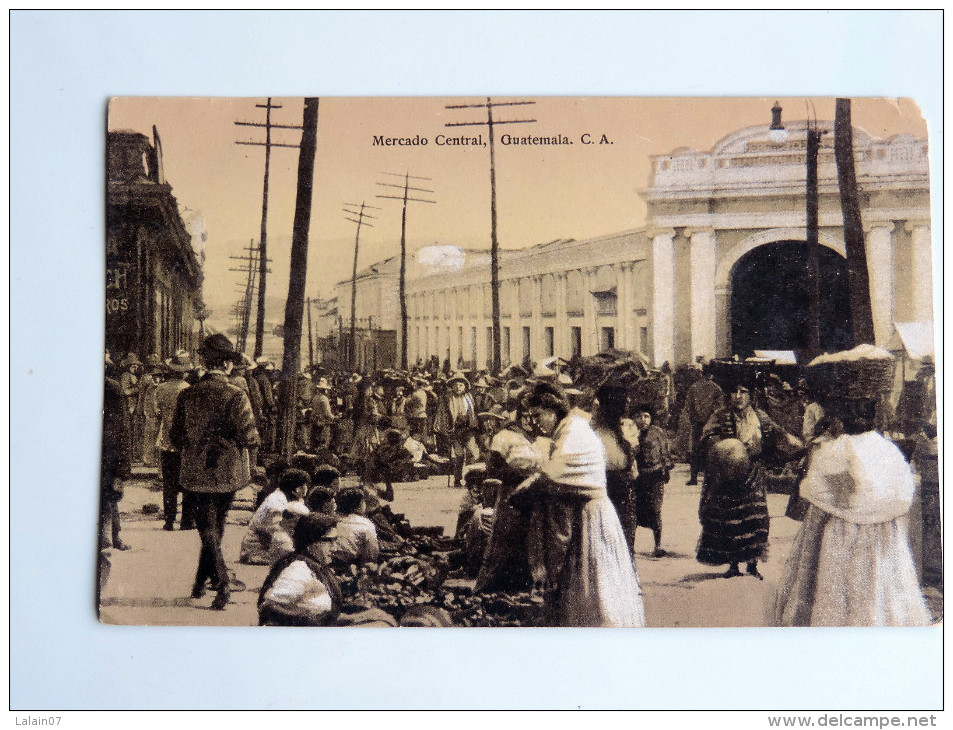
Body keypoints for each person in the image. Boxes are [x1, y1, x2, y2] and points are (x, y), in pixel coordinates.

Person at [773, 397, 931, 626]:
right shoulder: (889, 450)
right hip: (883, 540)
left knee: (838, 596)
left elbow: (816, 492)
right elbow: (903, 496)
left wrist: (848, 503)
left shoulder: (834, 450)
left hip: (841, 536)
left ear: (842, 419)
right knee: (881, 594)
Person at [515, 381, 645, 627]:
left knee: (595, 583)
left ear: (554, 411)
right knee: (582, 582)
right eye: (531, 417)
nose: (535, 422)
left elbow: (555, 474)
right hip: (584, 511)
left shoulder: (574, 430)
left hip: (592, 514)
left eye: (539, 415)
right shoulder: (568, 428)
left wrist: (526, 489)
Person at [171, 333, 261, 610]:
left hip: (195, 471)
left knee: (207, 527)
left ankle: (200, 583)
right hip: (227, 470)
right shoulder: (236, 395)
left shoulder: (187, 394)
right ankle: (222, 583)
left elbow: (175, 437)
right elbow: (250, 437)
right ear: (226, 364)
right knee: (215, 526)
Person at [697, 382, 802, 579]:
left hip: (753, 471)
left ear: (750, 395)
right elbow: (707, 436)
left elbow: (778, 433)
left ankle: (752, 564)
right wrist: (723, 447)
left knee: (756, 515)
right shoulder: (720, 415)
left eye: (743, 391)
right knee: (730, 517)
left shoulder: (760, 416)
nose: (738, 395)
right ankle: (734, 564)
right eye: (734, 391)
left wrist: (792, 442)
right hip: (729, 473)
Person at [475, 399, 543, 592]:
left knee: (528, 540)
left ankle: (521, 587)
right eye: (526, 416)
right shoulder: (505, 436)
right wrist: (518, 475)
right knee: (505, 538)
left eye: (535, 417)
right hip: (510, 496)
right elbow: (493, 469)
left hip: (532, 496)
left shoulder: (540, 438)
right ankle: (491, 587)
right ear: (519, 416)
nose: (530, 421)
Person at [258, 514, 343, 627]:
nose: (335, 547)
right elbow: (270, 606)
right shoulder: (299, 568)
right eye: (330, 541)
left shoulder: (316, 566)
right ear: (311, 542)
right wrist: (309, 621)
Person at [590, 383, 639, 554]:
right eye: (624, 403)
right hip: (606, 487)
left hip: (624, 489)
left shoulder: (625, 429)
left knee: (624, 542)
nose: (628, 404)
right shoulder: (596, 432)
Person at [154, 351, 195, 530]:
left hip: (165, 440)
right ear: (185, 372)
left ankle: (169, 520)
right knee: (187, 481)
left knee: (169, 482)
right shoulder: (189, 389)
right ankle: (186, 521)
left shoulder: (160, 389)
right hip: (185, 442)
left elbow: (156, 413)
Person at [239, 467, 311, 565]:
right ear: (297, 489)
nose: (306, 488)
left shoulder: (285, 497)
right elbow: (272, 531)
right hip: (256, 549)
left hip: (265, 544)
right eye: (304, 485)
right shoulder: (277, 502)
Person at [631, 404, 673, 557]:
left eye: (646, 416)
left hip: (655, 477)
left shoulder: (658, 433)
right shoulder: (630, 433)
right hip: (637, 478)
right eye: (639, 416)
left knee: (655, 511)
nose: (643, 420)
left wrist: (666, 470)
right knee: (633, 512)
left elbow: (666, 453)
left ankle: (657, 546)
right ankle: (630, 546)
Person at [679, 365, 725, 485]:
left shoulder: (693, 388)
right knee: (710, 450)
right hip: (711, 424)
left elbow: (688, 406)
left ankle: (693, 478)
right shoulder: (717, 388)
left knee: (695, 450)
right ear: (712, 375)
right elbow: (719, 408)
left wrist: (694, 419)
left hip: (697, 424)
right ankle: (709, 479)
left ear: (702, 374)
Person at [435, 373, 480, 488]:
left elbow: (474, 412)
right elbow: (443, 415)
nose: (458, 388)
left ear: (465, 386)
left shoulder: (469, 397)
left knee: (473, 453)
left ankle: (474, 478)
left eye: (461, 385)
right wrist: (445, 429)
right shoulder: (448, 398)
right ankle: (457, 479)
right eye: (456, 385)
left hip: (468, 428)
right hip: (455, 430)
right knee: (459, 455)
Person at [331, 487, 380, 568]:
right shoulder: (366, 524)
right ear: (359, 505)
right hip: (350, 566)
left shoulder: (334, 520)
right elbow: (371, 555)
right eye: (364, 501)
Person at [308, 377, 336, 452]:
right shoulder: (324, 399)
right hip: (322, 421)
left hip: (315, 420)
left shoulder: (315, 398)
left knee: (315, 439)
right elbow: (327, 413)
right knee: (323, 439)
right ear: (324, 390)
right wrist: (334, 417)